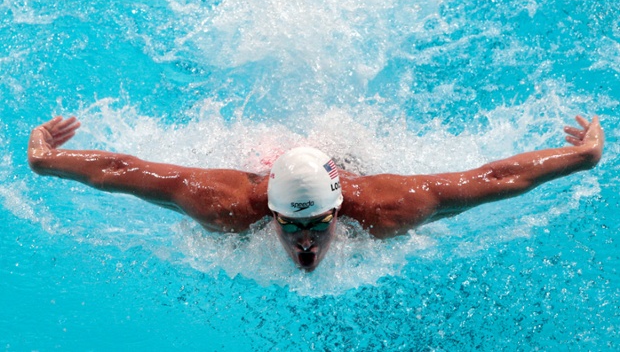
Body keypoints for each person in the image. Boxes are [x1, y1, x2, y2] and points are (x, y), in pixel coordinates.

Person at [28, 115, 604, 271]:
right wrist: (47, 162)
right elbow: (125, 169)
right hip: (262, 173)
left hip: (344, 169)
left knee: (346, 151)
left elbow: (493, 179)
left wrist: (582, 156)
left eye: (318, 225)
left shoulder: (385, 208)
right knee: (259, 154)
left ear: (338, 209)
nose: (305, 244)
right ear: (270, 213)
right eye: (292, 226)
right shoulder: (224, 205)